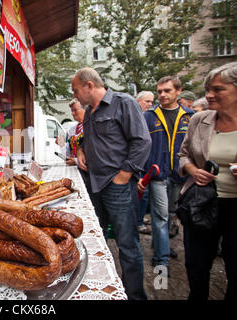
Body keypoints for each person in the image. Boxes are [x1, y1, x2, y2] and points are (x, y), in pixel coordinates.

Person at [72, 67, 151, 300]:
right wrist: (82, 151)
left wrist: (124, 175)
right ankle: (100, 291)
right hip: (95, 184)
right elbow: (90, 139)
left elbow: (142, 141)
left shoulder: (123, 102)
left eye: (76, 90)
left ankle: (135, 295)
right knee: (97, 239)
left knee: (127, 244)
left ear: (89, 85)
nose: (75, 95)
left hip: (116, 185)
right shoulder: (89, 111)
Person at [177, 62, 237, 300]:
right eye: (208, 89)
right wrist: (192, 170)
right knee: (196, 265)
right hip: (202, 203)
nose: (209, 95)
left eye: (218, 89)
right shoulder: (199, 120)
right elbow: (183, 155)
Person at [138, 76, 195, 270]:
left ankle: (160, 245)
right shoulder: (149, 116)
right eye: (159, 91)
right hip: (157, 175)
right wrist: (141, 174)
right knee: (160, 216)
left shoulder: (190, 116)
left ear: (178, 91)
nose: (162, 95)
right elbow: (140, 146)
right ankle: (161, 260)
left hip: (180, 174)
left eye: (167, 91)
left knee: (170, 214)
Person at [135, 91, 155, 234]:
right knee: (141, 193)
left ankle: (140, 218)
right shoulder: (135, 117)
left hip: (148, 162)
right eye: (146, 101)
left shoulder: (150, 117)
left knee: (145, 194)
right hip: (137, 163)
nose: (149, 104)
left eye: (151, 102)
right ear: (138, 100)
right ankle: (138, 221)